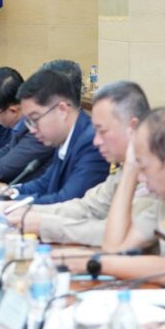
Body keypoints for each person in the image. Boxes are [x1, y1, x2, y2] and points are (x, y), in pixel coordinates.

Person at [61, 108, 165, 287]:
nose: (141, 179)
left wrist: (92, 263)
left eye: (144, 168)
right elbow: (115, 249)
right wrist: (130, 169)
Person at [12, 81, 155, 245]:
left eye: (102, 131)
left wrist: (42, 225)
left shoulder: (155, 173)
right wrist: (23, 211)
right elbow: (87, 208)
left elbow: (118, 235)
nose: (96, 141)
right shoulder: (124, 167)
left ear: (133, 127)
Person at [13, 68, 110, 205]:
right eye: (28, 122)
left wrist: (12, 203)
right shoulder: (66, 136)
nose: (32, 130)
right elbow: (45, 183)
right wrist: (11, 192)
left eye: (35, 119)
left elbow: (67, 200)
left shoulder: (91, 143)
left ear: (62, 110)